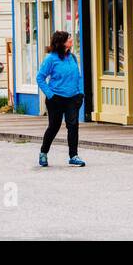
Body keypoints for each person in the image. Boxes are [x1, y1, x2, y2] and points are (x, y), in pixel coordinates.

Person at [36, 30, 85, 168]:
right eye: (69, 39)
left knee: (73, 126)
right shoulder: (51, 59)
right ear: (61, 43)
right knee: (54, 127)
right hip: (56, 99)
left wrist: (80, 93)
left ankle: (73, 156)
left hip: (72, 98)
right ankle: (43, 153)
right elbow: (40, 77)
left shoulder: (72, 57)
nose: (71, 41)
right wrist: (50, 95)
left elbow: (78, 77)